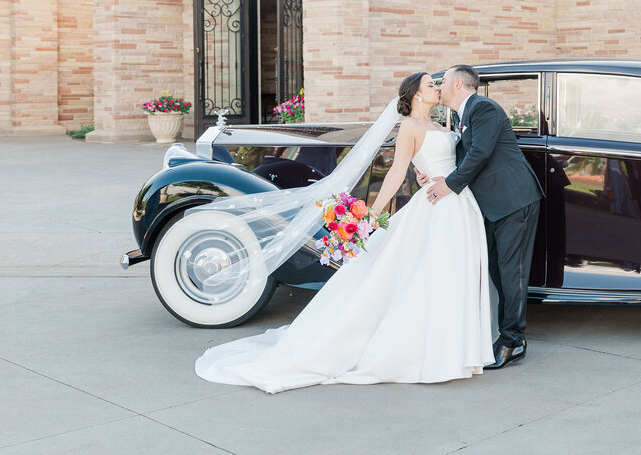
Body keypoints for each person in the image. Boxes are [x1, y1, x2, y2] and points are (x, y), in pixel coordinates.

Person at [194, 72, 493, 392]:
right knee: (428, 275)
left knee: (451, 274)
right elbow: (396, 171)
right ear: (416, 95)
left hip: (457, 204)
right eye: (430, 85)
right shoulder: (410, 127)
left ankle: (453, 348)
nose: (436, 87)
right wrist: (373, 216)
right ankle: (430, 353)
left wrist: (426, 176)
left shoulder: (442, 125)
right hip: (436, 207)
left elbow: (438, 165)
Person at [421, 65, 545, 369]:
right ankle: (509, 334)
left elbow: (480, 153)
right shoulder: (465, 113)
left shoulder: (483, 107)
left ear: (459, 85)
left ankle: (512, 342)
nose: (440, 86)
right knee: (497, 271)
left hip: (514, 200)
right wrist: (433, 174)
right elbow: (463, 156)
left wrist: (448, 185)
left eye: (444, 81)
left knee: (511, 272)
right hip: (492, 205)